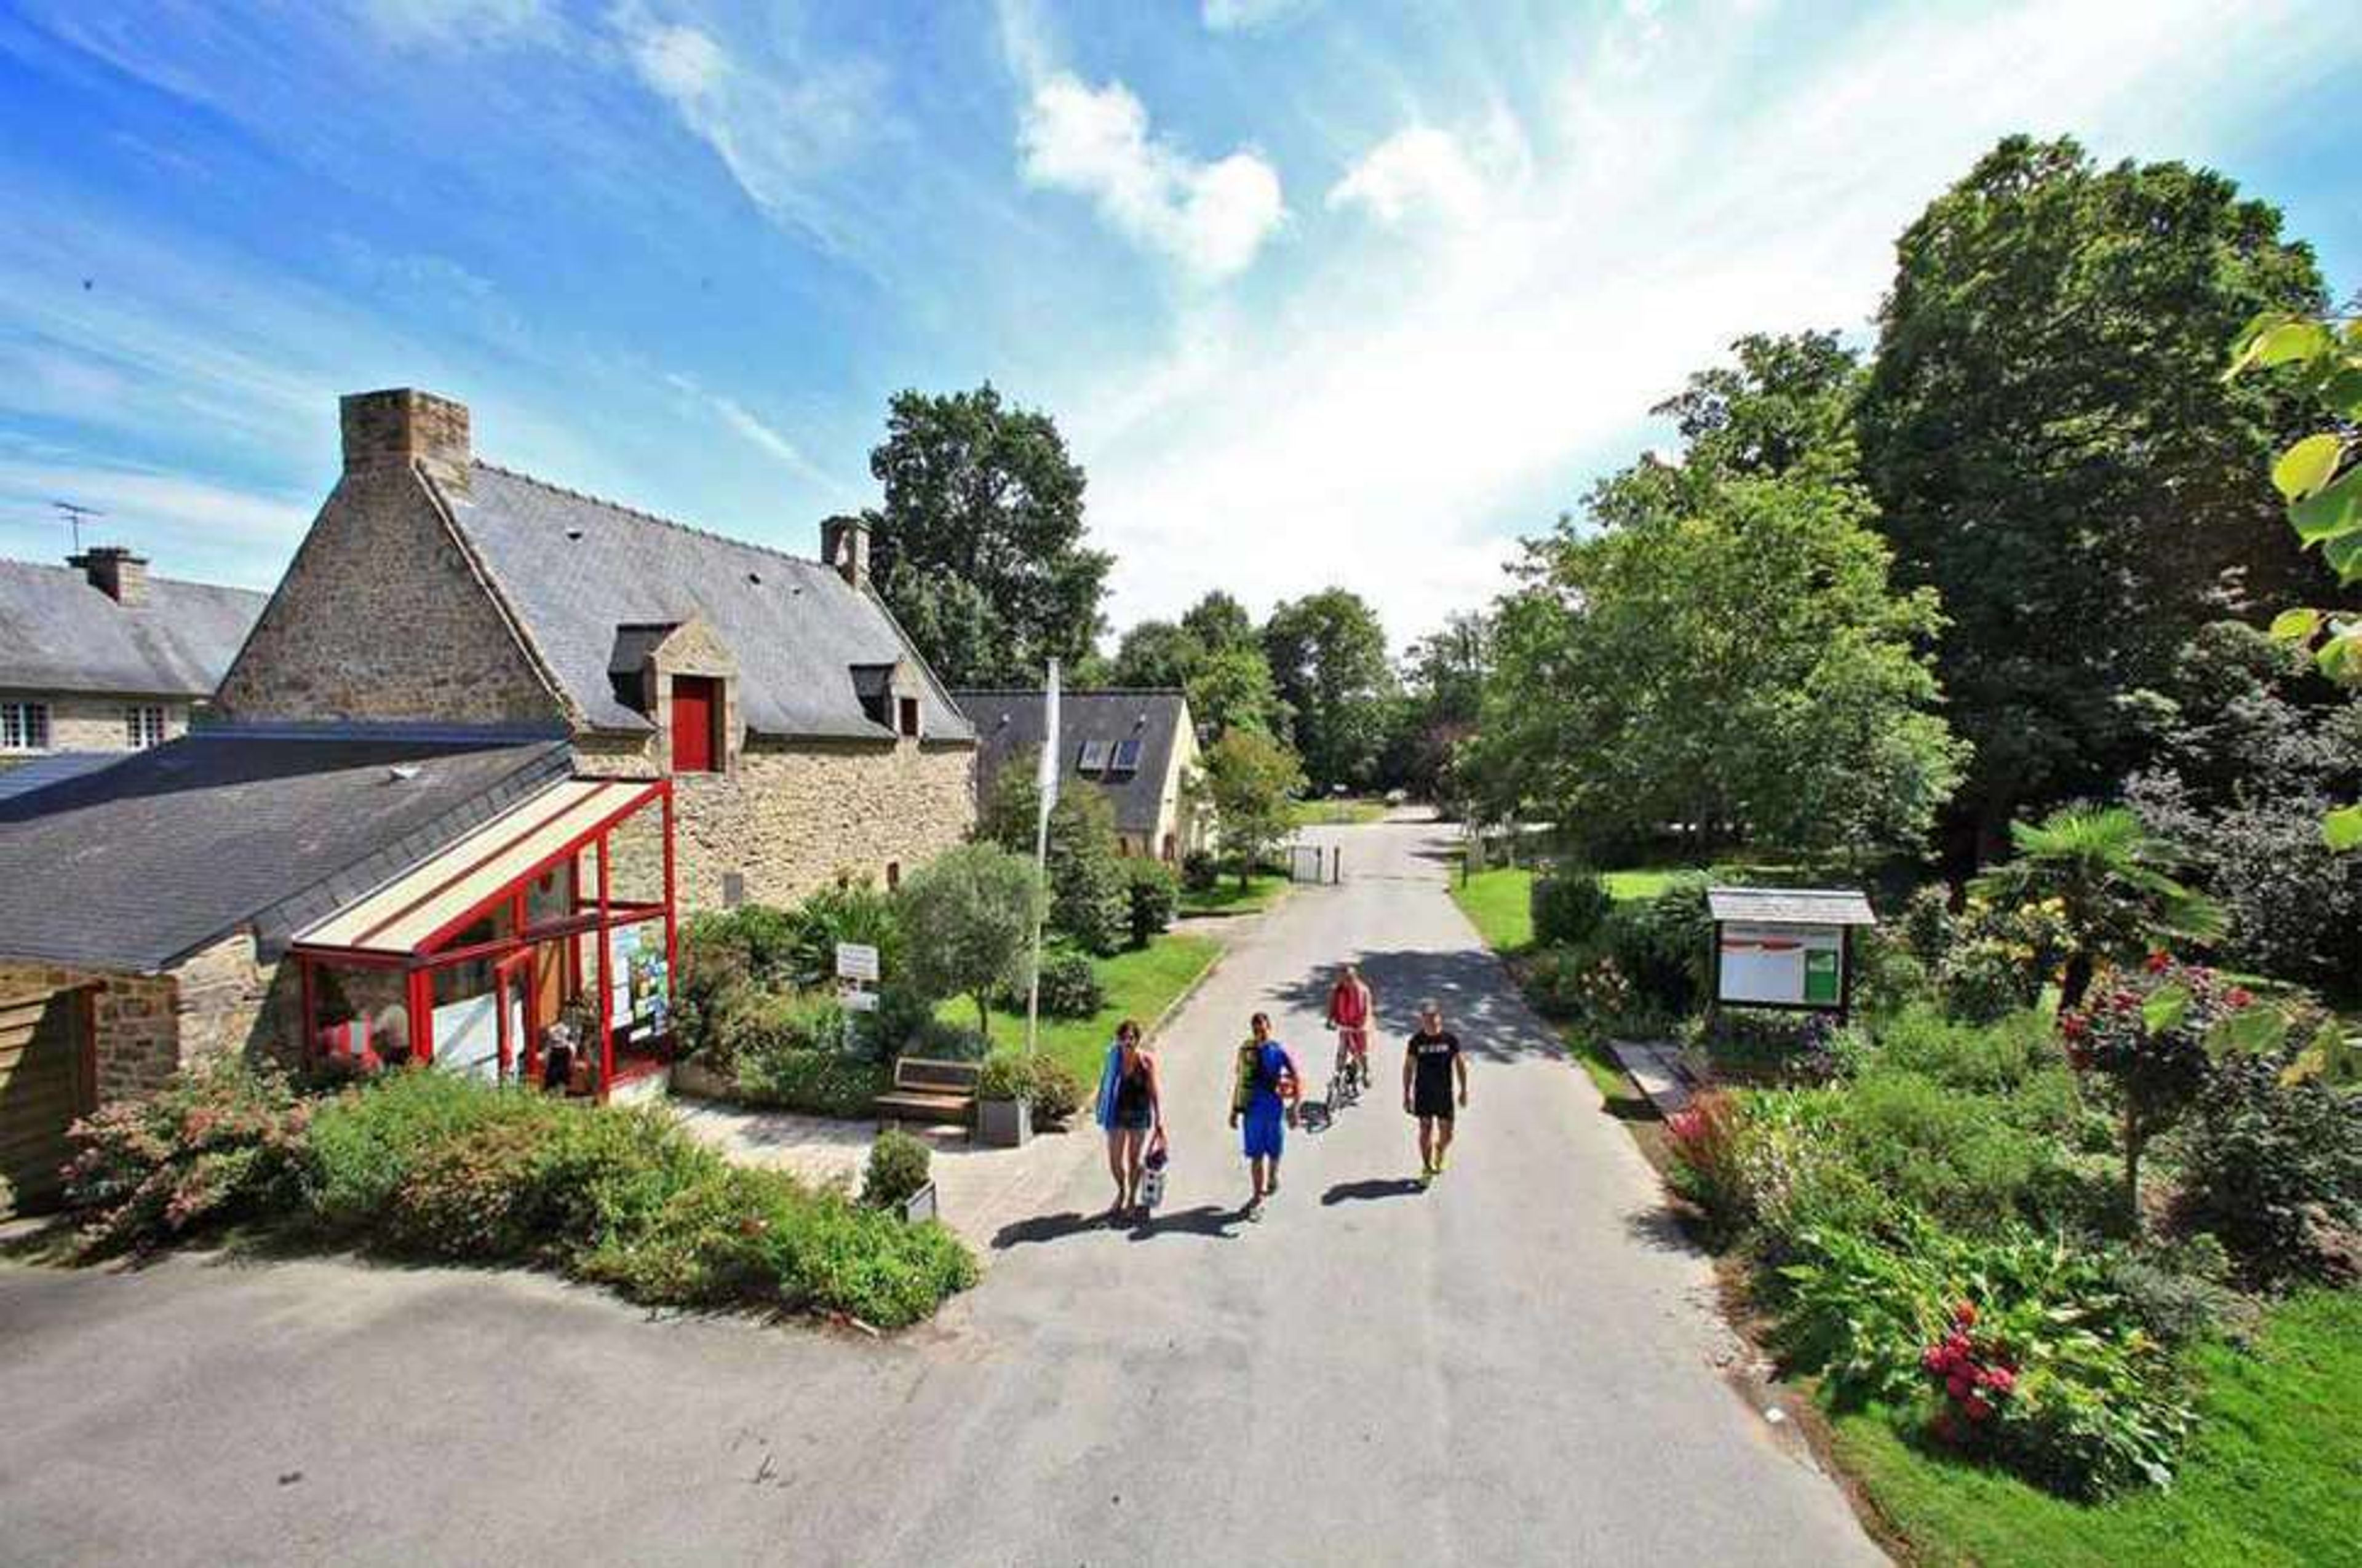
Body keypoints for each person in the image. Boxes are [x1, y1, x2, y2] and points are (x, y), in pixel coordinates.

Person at [1228, 1011, 1300, 1221]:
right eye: (1256, 1030)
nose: (1260, 1033)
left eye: (1263, 1029)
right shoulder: (1246, 1051)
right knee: (1256, 1157)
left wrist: (1295, 1106)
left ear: (1270, 1028)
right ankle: (1257, 1197)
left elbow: (1296, 1077)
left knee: (1275, 1153)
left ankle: (1273, 1175)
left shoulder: (1279, 1051)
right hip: (1252, 1113)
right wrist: (1234, 1110)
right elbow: (1241, 1081)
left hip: (1274, 1112)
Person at [1092, 1019, 1163, 1222]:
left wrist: (1159, 1118)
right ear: (1119, 1040)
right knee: (1114, 1161)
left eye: (1131, 1038)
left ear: (1138, 1040)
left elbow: (1154, 1091)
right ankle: (1121, 1191)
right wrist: (1100, 1107)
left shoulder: (1146, 1061)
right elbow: (1105, 1083)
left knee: (1134, 1161)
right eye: (1124, 1038)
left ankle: (1131, 1198)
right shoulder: (1113, 1059)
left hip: (1138, 1116)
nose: (1128, 1042)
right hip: (1116, 1115)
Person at [1403, 1000, 1468, 1183]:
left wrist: (1464, 1090)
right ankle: (1427, 1167)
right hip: (1423, 1093)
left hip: (1444, 1094)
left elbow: (1460, 1064)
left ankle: (1440, 1150)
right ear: (1422, 1020)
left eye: (1434, 1017)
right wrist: (1406, 1094)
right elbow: (1408, 1067)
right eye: (1427, 1018)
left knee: (1447, 1135)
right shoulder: (1416, 1042)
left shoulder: (1450, 1040)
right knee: (1425, 1130)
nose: (1431, 1021)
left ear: (1440, 1018)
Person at [1325, 963, 1375, 1089]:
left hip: (1361, 1027)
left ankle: (1366, 1072)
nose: (1344, 981)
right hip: (1345, 1025)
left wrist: (1364, 1025)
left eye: (1348, 978)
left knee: (1362, 1052)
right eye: (1342, 978)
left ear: (1355, 978)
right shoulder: (1338, 990)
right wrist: (1330, 1020)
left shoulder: (1363, 990)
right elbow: (1332, 1007)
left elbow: (1368, 1010)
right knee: (1342, 1051)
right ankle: (1338, 1074)